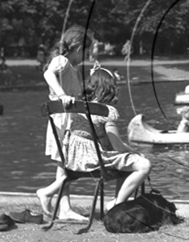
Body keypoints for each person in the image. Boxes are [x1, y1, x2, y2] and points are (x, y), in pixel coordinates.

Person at [65, 65, 151, 212]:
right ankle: (117, 203)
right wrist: (135, 152)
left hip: (73, 160)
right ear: (108, 87)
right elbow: (117, 146)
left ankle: (119, 204)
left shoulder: (77, 107)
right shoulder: (106, 111)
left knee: (125, 161)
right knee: (144, 164)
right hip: (94, 161)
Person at [37, 25, 94, 220]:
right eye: (87, 52)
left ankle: (65, 209)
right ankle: (48, 194)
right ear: (78, 48)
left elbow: (75, 92)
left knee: (65, 163)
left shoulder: (73, 67)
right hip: (63, 121)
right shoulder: (62, 61)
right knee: (68, 162)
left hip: (69, 119)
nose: (87, 56)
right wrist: (61, 95)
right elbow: (47, 74)